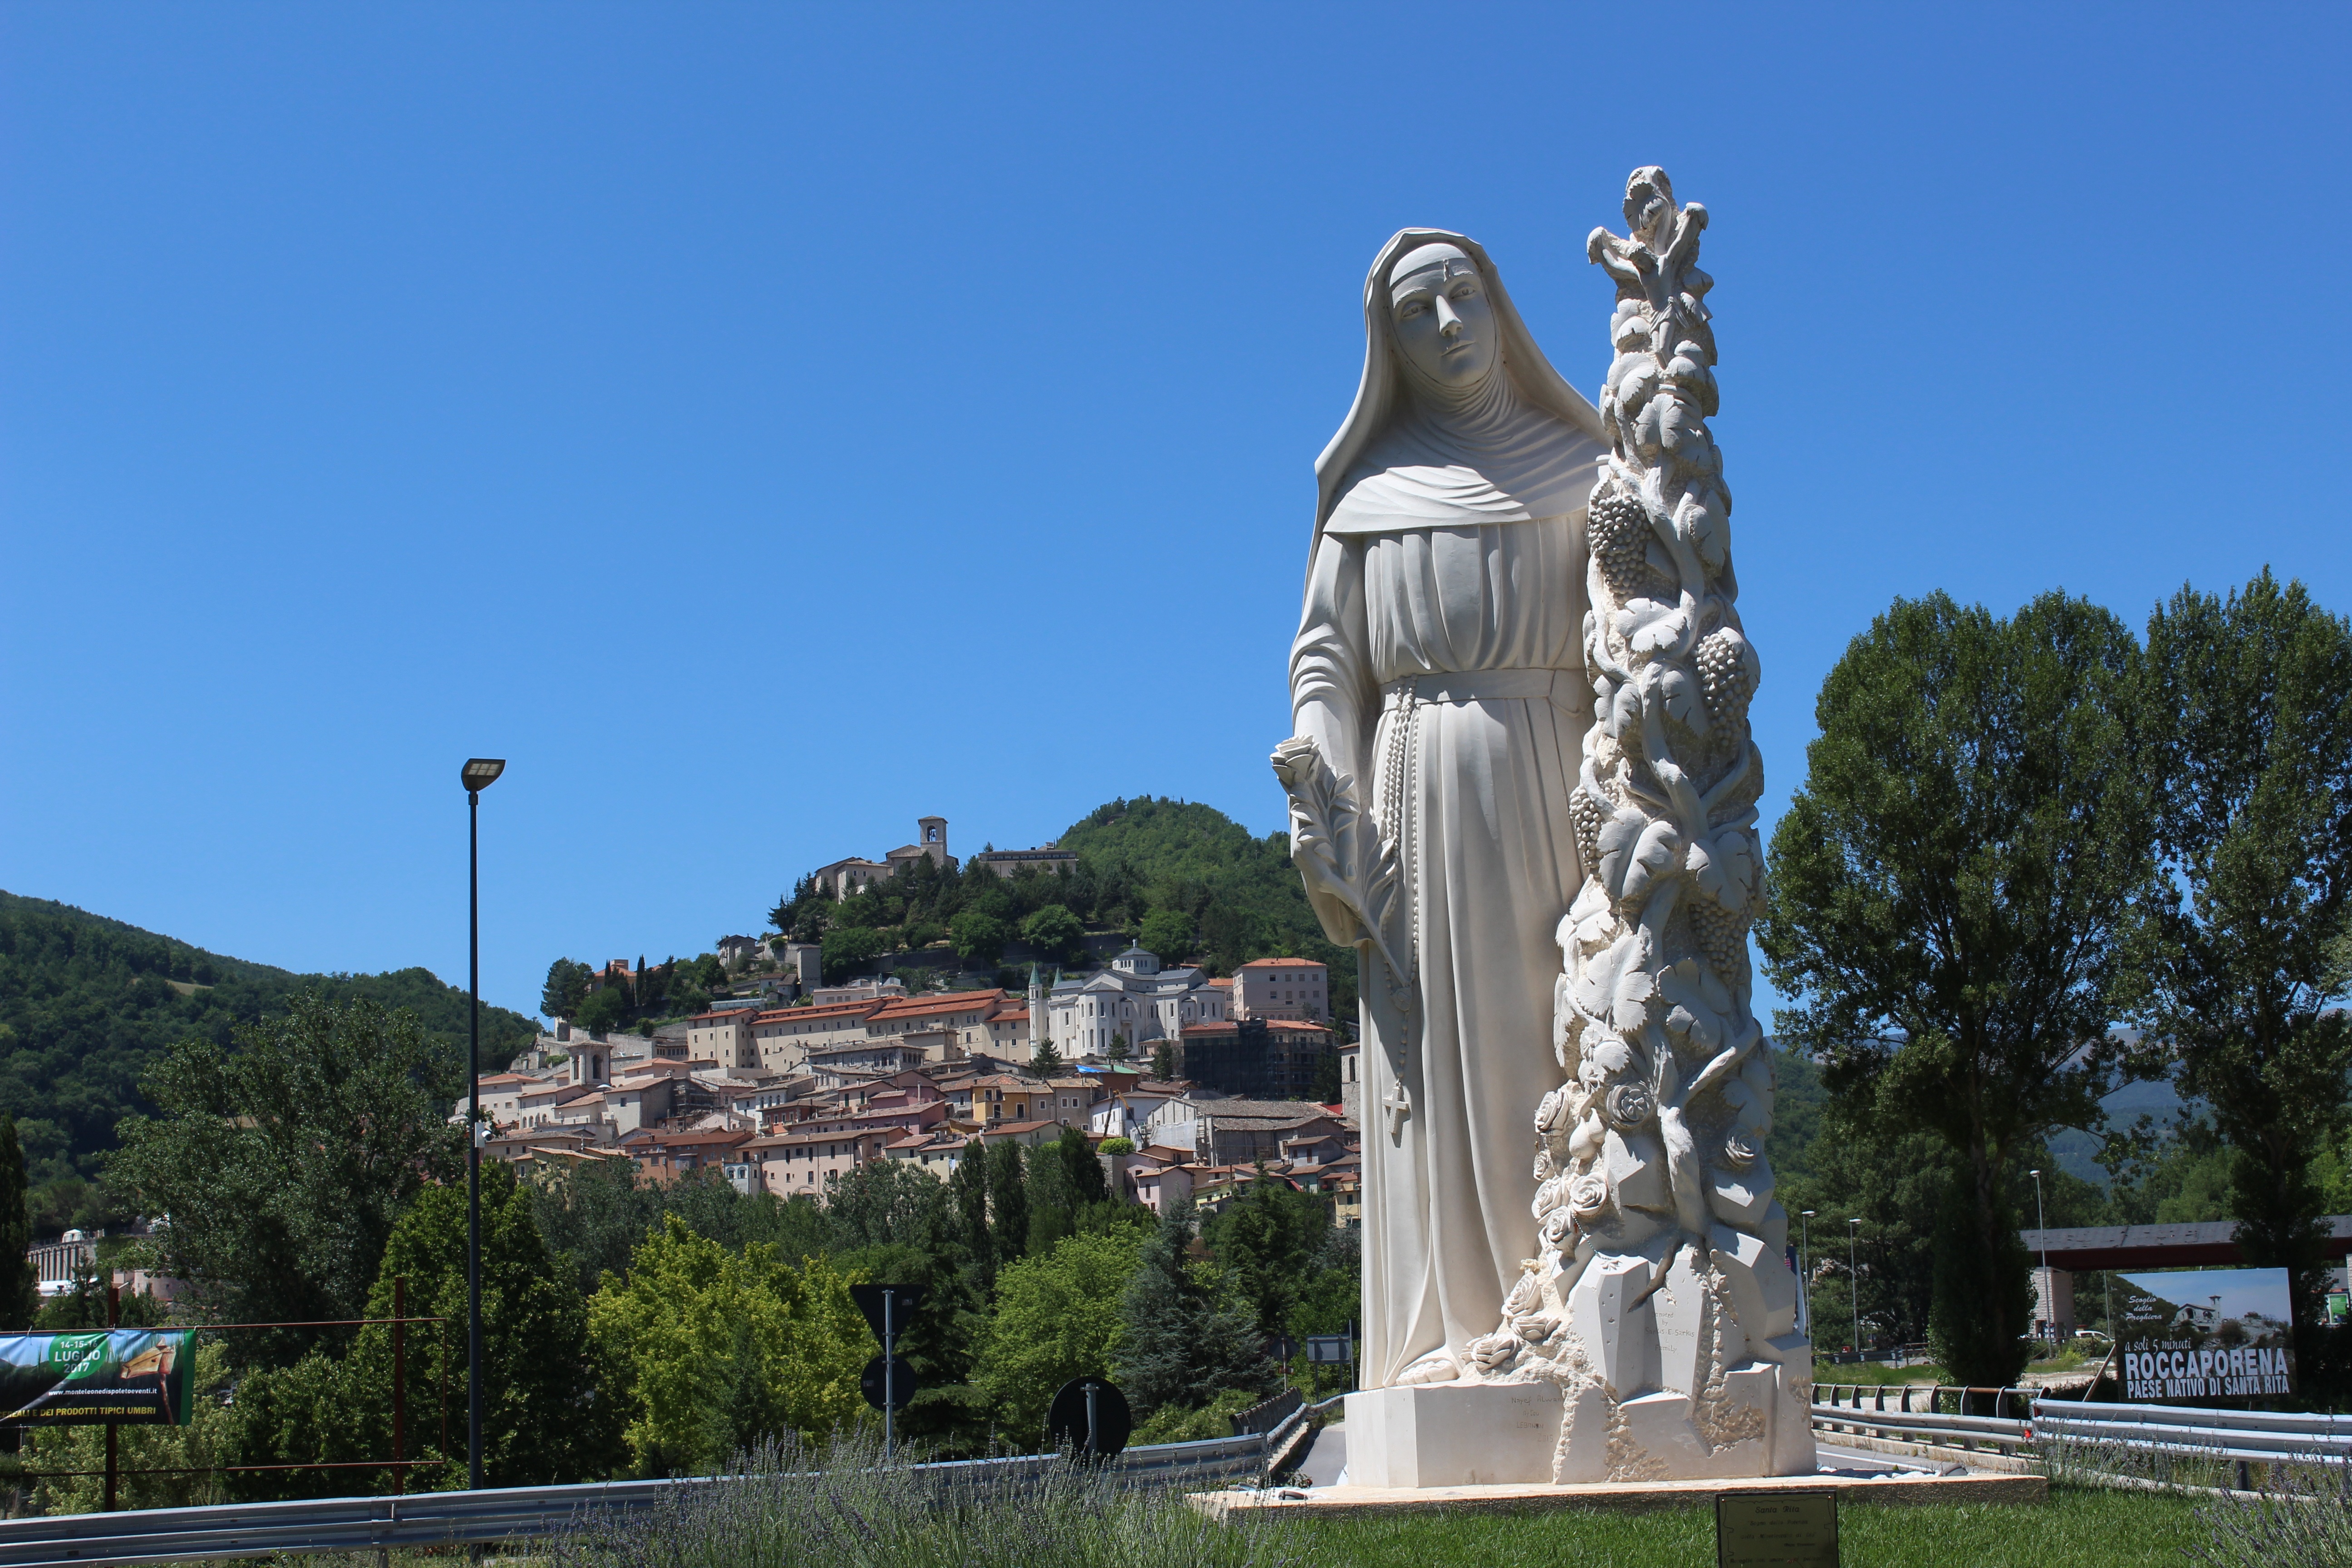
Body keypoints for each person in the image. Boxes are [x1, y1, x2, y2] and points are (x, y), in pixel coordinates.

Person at [1283, 229, 1607, 1387]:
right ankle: (1462, 1329)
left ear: (1498, 303)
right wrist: (1325, 780)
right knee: (1439, 1055)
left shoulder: (1587, 468)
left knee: (1564, 1030)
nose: (1448, 325)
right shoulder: (1369, 493)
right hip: (1418, 790)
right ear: (1390, 343)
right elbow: (1328, 661)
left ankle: (1584, 1292)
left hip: (1561, 780)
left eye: (1462, 295)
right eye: (1417, 312)